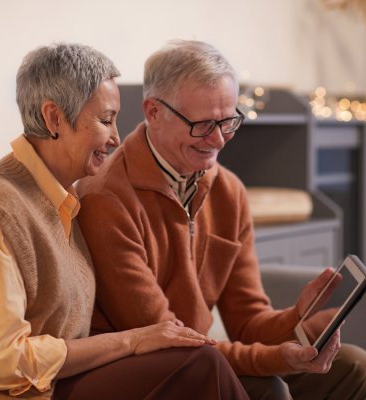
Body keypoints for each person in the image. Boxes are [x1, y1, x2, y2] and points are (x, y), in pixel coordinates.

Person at [76, 40, 366, 400]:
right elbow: (171, 340)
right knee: (268, 389)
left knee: (355, 367)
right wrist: (277, 358)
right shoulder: (107, 200)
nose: (218, 139)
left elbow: (246, 321)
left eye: (228, 121)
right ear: (152, 112)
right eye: (202, 124)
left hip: (203, 354)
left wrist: (296, 317)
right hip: (145, 369)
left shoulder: (229, 191)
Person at [0, 43, 250, 400]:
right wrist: (131, 341)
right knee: (200, 365)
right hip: (25, 394)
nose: (116, 138)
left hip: (67, 379)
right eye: (105, 120)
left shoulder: (61, 200)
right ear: (54, 118)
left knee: (210, 368)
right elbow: (0, 361)